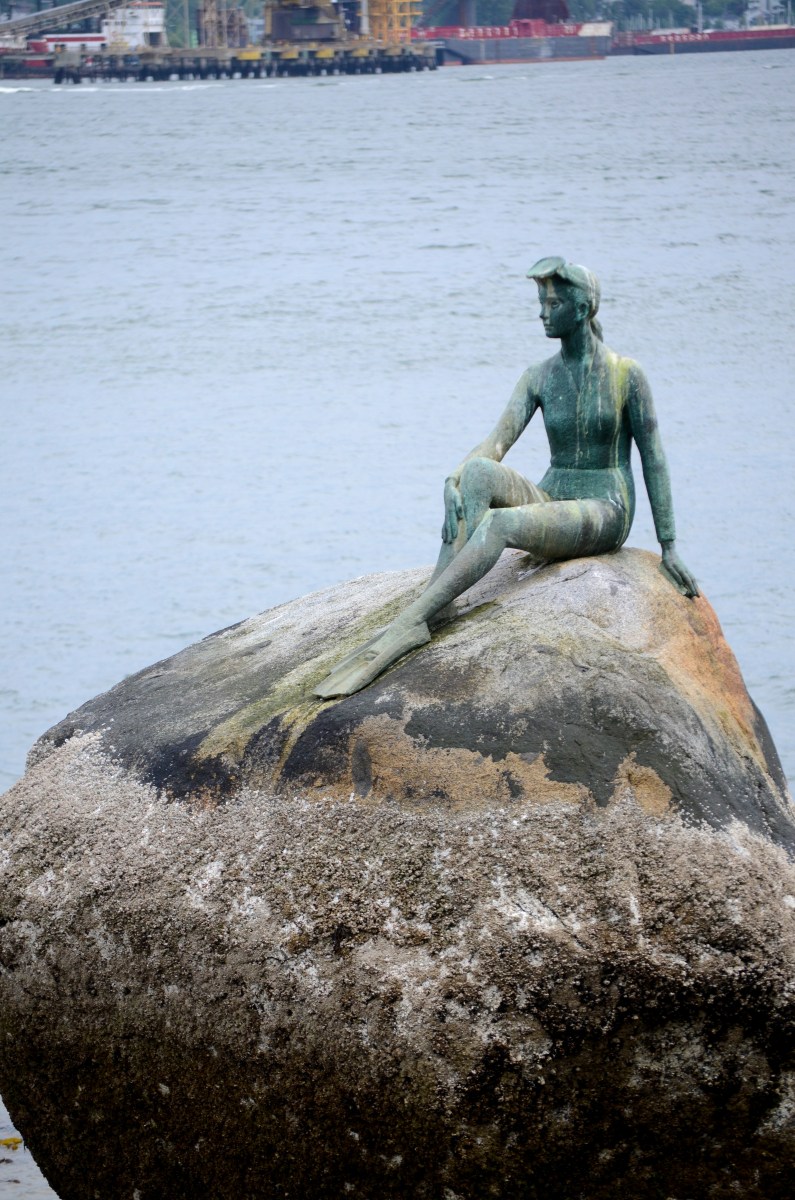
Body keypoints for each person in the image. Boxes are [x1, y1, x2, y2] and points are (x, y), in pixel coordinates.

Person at [315, 256, 698, 699]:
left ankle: (412, 621)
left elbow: (654, 458)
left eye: (553, 303)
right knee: (477, 474)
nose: (542, 311)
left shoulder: (625, 374)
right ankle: (439, 604)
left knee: (500, 524)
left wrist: (669, 546)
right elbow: (494, 445)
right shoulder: (539, 376)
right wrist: (454, 480)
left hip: (603, 507)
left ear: (582, 309)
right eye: (541, 301)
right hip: (554, 493)